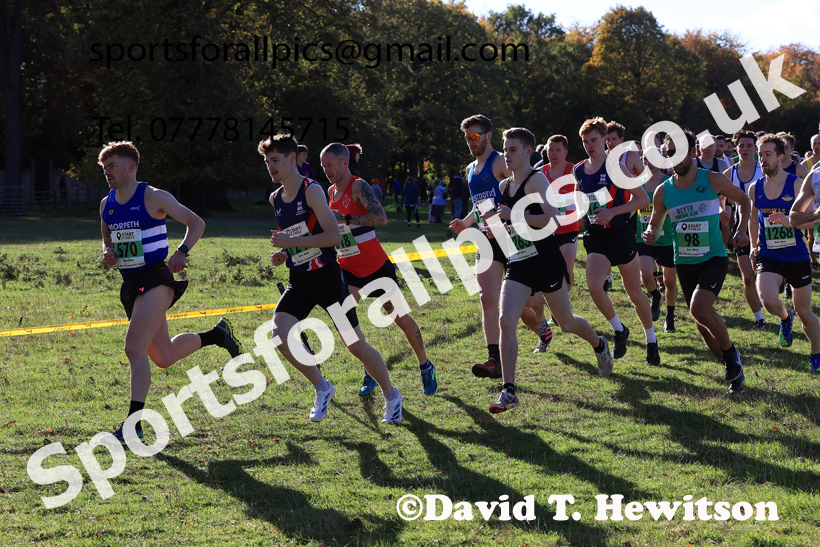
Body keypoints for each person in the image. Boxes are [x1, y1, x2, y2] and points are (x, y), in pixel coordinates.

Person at [98, 141, 242, 444]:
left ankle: (133, 425)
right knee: (164, 356)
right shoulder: (106, 204)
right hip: (131, 285)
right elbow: (107, 240)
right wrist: (108, 253)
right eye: (104, 168)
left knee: (133, 349)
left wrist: (182, 251)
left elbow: (196, 222)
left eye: (112, 166)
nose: (107, 172)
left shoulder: (153, 197)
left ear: (130, 166)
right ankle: (218, 335)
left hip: (157, 280)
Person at [262, 134, 403, 423]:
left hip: (327, 279)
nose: (270, 166)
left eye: (275, 160)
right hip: (299, 280)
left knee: (356, 345)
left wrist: (289, 245)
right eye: (266, 161)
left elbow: (333, 237)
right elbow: (298, 238)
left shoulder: (311, 191)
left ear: (292, 159)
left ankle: (391, 395)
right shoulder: (276, 198)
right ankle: (322, 386)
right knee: (279, 336)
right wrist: (285, 256)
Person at [486, 128, 614, 413]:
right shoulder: (506, 186)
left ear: (528, 151)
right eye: (505, 150)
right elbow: (512, 226)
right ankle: (509, 390)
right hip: (519, 262)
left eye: (513, 150)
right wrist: (497, 230)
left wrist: (514, 215)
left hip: (546, 262)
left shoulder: (537, 180)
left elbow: (554, 220)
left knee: (566, 323)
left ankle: (599, 344)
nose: (507, 155)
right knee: (506, 320)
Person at [321, 143, 438, 395]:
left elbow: (381, 218)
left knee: (400, 319)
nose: (326, 170)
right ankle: (371, 371)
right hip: (347, 268)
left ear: (344, 162)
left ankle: (425, 366)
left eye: (330, 164)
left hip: (375, 267)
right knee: (346, 320)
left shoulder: (358, 186)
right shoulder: (330, 191)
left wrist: (348, 219)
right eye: (323, 166)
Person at [644, 129, 751, 395]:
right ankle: (733, 372)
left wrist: (742, 230)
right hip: (685, 261)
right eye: (669, 154)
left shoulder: (712, 179)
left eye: (679, 152)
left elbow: (744, 200)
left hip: (713, 257)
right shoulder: (663, 191)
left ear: (692, 152)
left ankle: (731, 354)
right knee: (701, 323)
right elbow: (655, 224)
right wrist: (651, 233)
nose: (674, 158)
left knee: (700, 309)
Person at [449, 114, 550, 377]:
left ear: (488, 134)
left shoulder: (501, 162)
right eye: (466, 137)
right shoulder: (471, 169)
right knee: (488, 298)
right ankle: (494, 359)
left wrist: (515, 218)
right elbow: (479, 203)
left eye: (475, 135)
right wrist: (467, 221)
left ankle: (544, 319)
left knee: (522, 299)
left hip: (512, 237)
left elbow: (521, 189)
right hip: (486, 238)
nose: (470, 141)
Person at [576, 117, 658, 365]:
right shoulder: (578, 170)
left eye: (594, 140)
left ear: (604, 141)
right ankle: (619, 329)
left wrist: (613, 212)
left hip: (620, 234)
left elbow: (642, 199)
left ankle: (651, 341)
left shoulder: (616, 168)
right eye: (585, 141)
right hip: (596, 236)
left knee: (634, 293)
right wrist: (581, 216)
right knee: (594, 288)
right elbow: (582, 198)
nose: (590, 145)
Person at [749, 134, 820, 370]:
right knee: (768, 300)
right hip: (770, 255)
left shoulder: (796, 184)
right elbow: (752, 217)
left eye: (767, 154)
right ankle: (784, 317)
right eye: (760, 156)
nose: (763, 160)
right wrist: (752, 244)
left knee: (805, 313)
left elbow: (812, 222)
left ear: (781, 157)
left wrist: (791, 223)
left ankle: (816, 353)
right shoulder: (754, 188)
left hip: (796, 255)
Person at [635, 149, 679, 333]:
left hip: (667, 238)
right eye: (646, 159)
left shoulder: (668, 184)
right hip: (643, 237)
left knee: (669, 282)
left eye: (653, 159)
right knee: (646, 274)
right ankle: (655, 295)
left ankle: (670, 316)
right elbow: (631, 206)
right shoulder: (638, 183)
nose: (649, 163)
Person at [724, 131, 765, 328]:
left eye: (749, 146)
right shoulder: (729, 173)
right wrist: (722, 211)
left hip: (765, 230)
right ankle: (759, 319)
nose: (745, 149)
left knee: (765, 277)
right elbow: (717, 198)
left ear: (756, 149)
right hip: (741, 231)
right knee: (748, 277)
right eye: (741, 146)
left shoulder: (764, 170)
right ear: (735, 148)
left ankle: (772, 302)